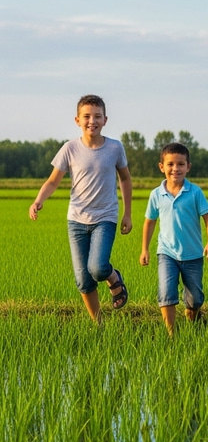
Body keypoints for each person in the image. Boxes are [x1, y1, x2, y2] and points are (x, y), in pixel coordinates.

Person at [29, 94, 132, 324]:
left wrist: (127, 213)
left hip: (105, 218)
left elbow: (125, 179)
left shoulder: (115, 147)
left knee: (97, 268)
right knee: (84, 280)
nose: (91, 121)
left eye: (97, 116)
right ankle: (98, 324)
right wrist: (39, 200)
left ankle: (114, 278)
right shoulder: (69, 148)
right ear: (77, 120)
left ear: (105, 119)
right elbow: (53, 181)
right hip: (76, 220)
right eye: (86, 116)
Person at [140, 142, 208, 336]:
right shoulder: (156, 194)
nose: (176, 168)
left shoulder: (195, 192)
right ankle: (171, 334)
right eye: (171, 164)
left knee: (195, 299)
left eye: (181, 164)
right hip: (167, 253)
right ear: (162, 167)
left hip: (193, 255)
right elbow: (149, 222)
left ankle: (192, 315)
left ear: (188, 167)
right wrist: (145, 249)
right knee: (166, 293)